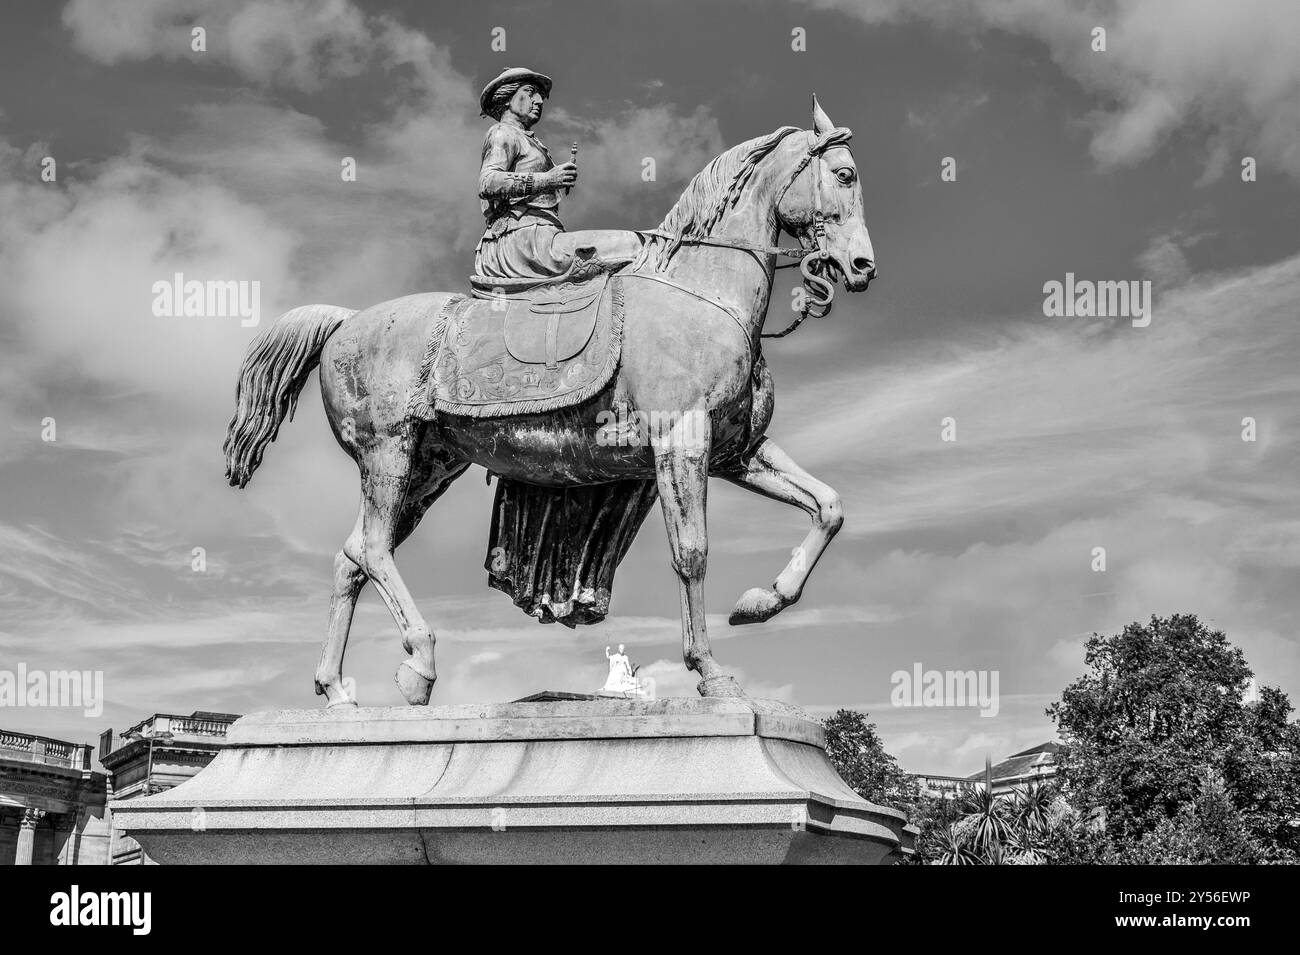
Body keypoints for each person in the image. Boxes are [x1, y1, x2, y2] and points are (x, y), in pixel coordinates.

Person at [474, 67, 641, 280]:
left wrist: (554, 180)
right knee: (632, 245)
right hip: (521, 239)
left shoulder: (529, 140)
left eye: (541, 96)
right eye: (530, 92)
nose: (539, 101)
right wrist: (548, 179)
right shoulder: (503, 132)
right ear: (507, 96)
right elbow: (488, 183)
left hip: (542, 234)